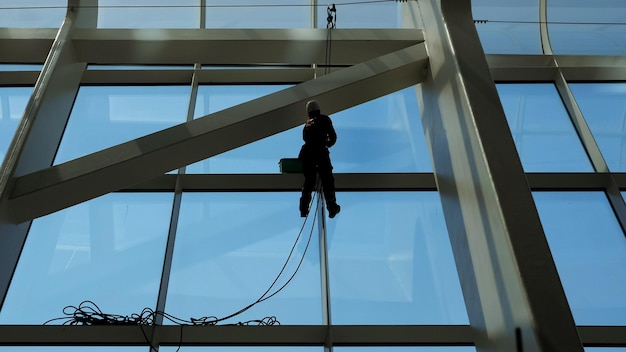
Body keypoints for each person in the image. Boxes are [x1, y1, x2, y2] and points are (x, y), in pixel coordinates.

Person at [298, 100, 341, 218]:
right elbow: (333, 137)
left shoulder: (307, 123)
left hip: (307, 154)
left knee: (309, 181)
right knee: (327, 180)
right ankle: (332, 207)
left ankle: (303, 208)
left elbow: (305, 138)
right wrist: (327, 143)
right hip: (321, 153)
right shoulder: (325, 120)